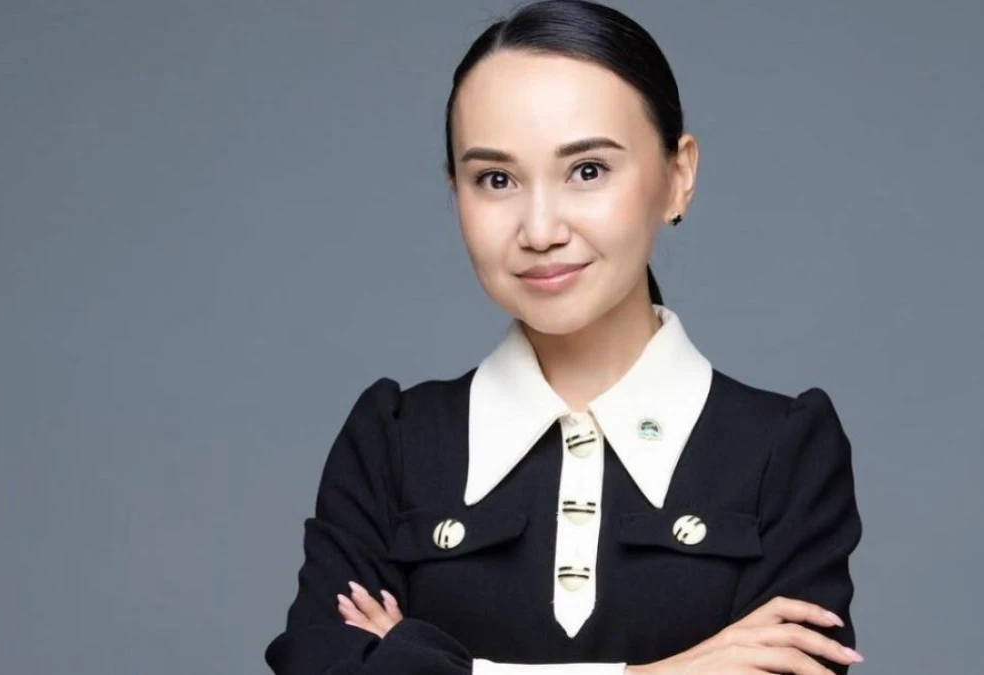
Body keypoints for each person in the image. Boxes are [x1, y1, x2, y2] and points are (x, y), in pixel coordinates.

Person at [264, 1, 863, 673]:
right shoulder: (392, 444)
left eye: (588, 170)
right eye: (496, 179)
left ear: (679, 176)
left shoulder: (784, 451)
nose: (541, 229)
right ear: (455, 190)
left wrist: (430, 662)